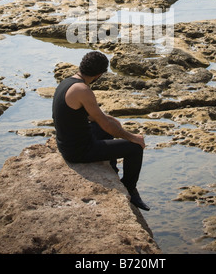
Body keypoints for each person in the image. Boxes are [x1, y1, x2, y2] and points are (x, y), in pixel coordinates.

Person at [52, 50, 150, 211]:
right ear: (100, 74)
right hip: (78, 151)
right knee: (134, 148)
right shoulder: (84, 90)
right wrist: (132, 137)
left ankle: (112, 169)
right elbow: (103, 123)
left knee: (111, 127)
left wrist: (114, 122)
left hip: (66, 143)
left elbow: (95, 117)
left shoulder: (68, 83)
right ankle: (129, 188)